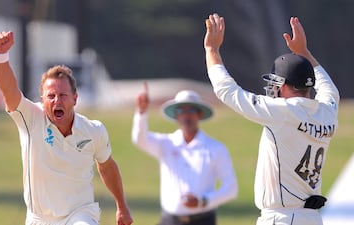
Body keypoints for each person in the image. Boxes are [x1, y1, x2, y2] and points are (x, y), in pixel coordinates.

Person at [204, 14, 339, 225]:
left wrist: (211, 51)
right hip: (312, 218)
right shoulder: (327, 111)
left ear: (284, 85)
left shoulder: (282, 112)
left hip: (282, 218)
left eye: (276, 83)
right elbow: (329, 90)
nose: (273, 89)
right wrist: (304, 53)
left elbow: (228, 92)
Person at [0, 31, 133, 225]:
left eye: (63, 95)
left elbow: (107, 166)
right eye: (50, 96)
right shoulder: (30, 118)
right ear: (42, 99)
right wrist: (0, 55)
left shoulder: (93, 130)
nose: (56, 100)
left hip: (80, 214)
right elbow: (9, 90)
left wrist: (122, 207)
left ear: (75, 98)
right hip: (39, 218)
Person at [131, 83, 238, 225]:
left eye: (191, 110)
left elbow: (231, 188)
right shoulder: (167, 143)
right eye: (181, 110)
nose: (186, 116)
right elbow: (140, 139)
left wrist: (202, 201)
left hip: (203, 220)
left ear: (199, 114)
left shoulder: (215, 148)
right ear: (176, 115)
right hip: (170, 220)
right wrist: (142, 112)